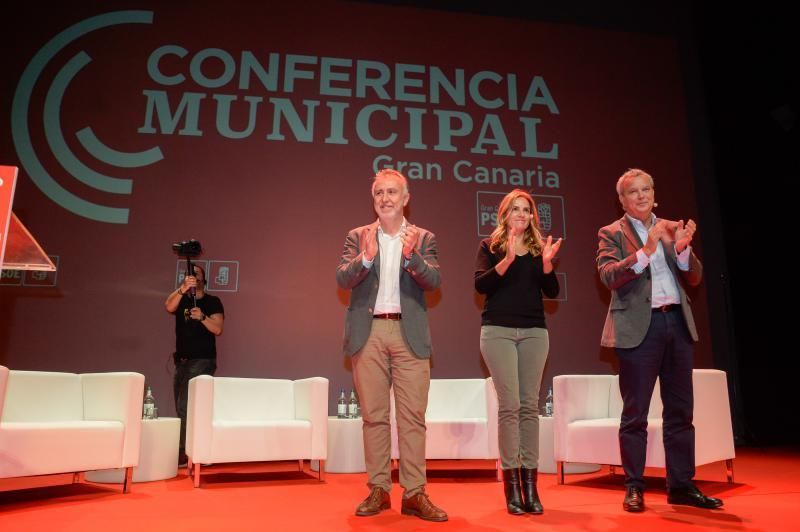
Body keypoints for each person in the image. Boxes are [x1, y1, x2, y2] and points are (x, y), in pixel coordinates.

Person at [597, 168, 723, 512]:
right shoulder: (611, 233)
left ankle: (681, 484)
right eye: (633, 192)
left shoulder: (671, 227)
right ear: (622, 200)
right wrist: (645, 250)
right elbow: (608, 275)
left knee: (681, 412)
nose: (641, 196)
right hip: (641, 328)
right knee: (635, 413)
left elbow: (694, 277)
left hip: (677, 325)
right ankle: (634, 485)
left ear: (654, 192)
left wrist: (681, 250)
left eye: (646, 189)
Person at [336, 169, 446, 522]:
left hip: (407, 333)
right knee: (374, 418)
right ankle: (378, 489)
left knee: (413, 418)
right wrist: (366, 258)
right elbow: (342, 277)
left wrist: (412, 257)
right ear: (374, 198)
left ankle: (415, 493)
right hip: (368, 334)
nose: (385, 198)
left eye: (392, 192)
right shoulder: (357, 236)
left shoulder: (423, 237)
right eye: (379, 193)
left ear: (405, 198)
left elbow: (434, 280)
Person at [474, 189, 562, 515]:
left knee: (529, 406)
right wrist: (508, 260)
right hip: (497, 331)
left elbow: (551, 291)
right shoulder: (491, 247)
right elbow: (481, 285)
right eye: (516, 209)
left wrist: (548, 264)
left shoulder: (539, 250)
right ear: (505, 214)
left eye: (526, 210)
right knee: (509, 406)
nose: (522, 214)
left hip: (534, 333)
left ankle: (531, 489)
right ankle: (511, 490)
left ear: (532, 216)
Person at [164, 264, 224, 466]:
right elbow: (169, 306)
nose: (192, 276)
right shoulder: (182, 299)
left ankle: (185, 452)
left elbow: (217, 329)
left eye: (196, 274)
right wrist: (182, 289)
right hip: (181, 361)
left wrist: (202, 317)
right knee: (182, 407)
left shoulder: (212, 301)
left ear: (203, 279)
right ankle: (192, 450)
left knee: (185, 406)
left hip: (203, 360)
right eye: (188, 274)